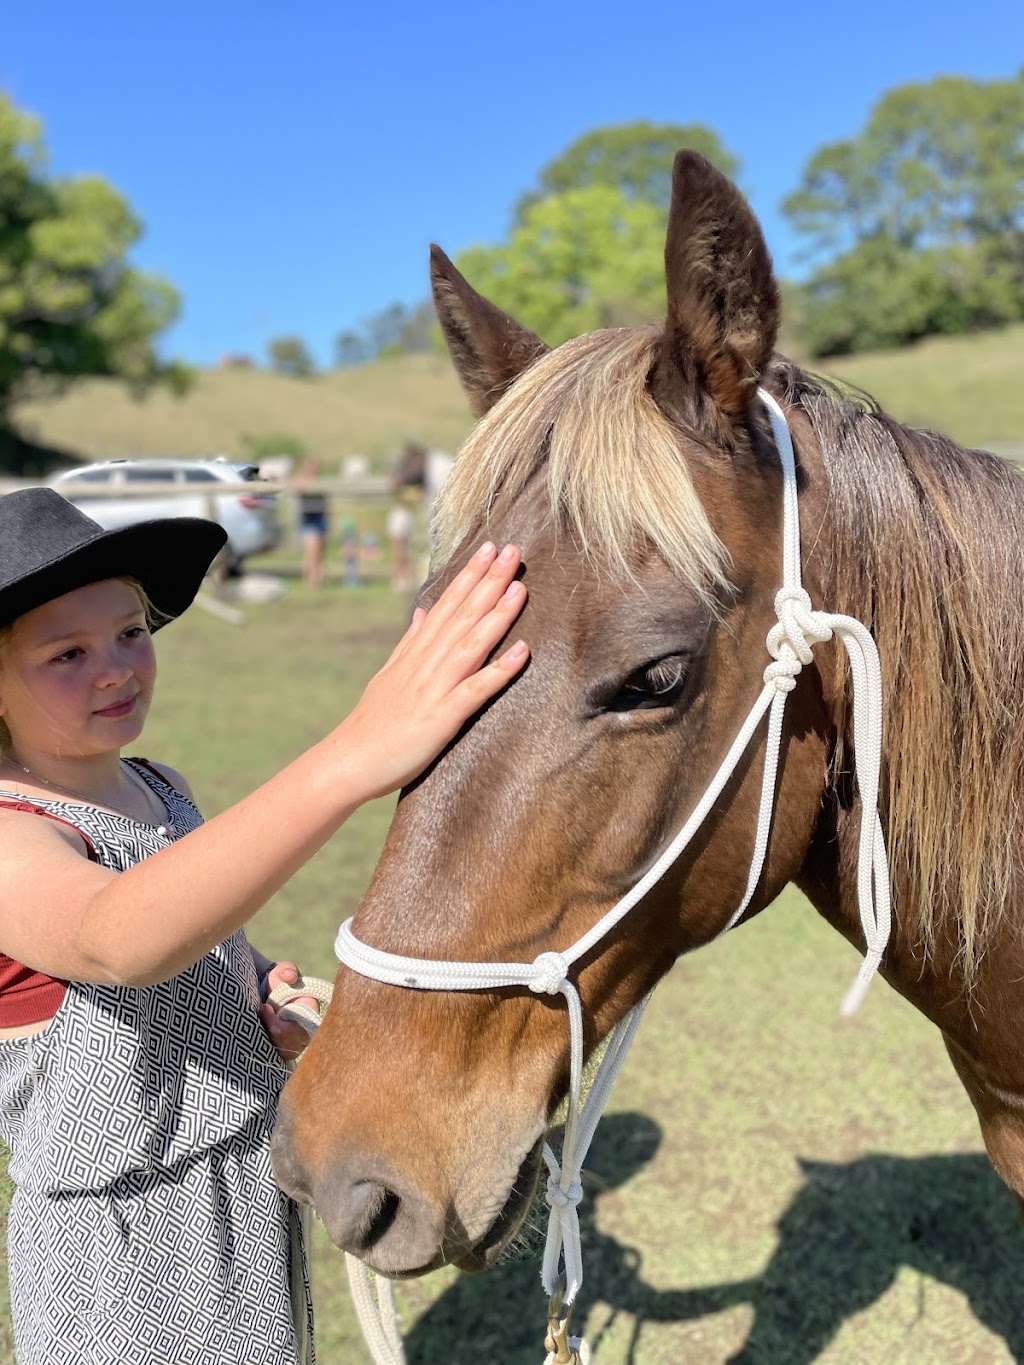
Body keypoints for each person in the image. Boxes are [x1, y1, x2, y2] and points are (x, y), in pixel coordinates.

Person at [0, 487, 529, 1365]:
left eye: (130, 631)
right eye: (67, 653)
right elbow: (116, 937)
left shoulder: (158, 784)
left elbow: (195, 935)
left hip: (247, 1184)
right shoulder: (12, 831)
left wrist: (255, 992)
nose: (117, 668)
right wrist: (352, 756)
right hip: (117, 1241)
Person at [293, 456, 329, 589]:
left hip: (320, 517)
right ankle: (312, 581)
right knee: (311, 551)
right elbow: (296, 486)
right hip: (308, 518)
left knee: (319, 551)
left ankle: (316, 578)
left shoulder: (320, 481)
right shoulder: (301, 479)